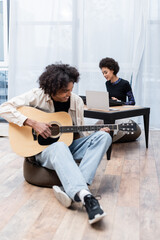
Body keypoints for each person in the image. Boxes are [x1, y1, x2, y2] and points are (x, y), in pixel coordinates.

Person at [0, 63, 112, 224]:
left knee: (104, 138)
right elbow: (4, 108)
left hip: (68, 147)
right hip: (43, 151)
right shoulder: (38, 95)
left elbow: (81, 133)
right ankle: (87, 198)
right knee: (59, 146)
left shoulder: (76, 102)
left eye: (71, 90)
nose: (69, 94)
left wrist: (96, 135)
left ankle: (75, 189)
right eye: (64, 91)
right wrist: (32, 123)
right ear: (52, 89)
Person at [99, 57, 141, 143]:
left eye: (105, 72)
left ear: (112, 70)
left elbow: (132, 102)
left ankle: (106, 140)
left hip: (121, 114)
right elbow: (110, 99)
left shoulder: (124, 83)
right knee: (98, 126)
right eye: (102, 73)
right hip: (111, 113)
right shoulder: (107, 84)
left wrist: (120, 102)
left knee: (114, 129)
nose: (104, 75)